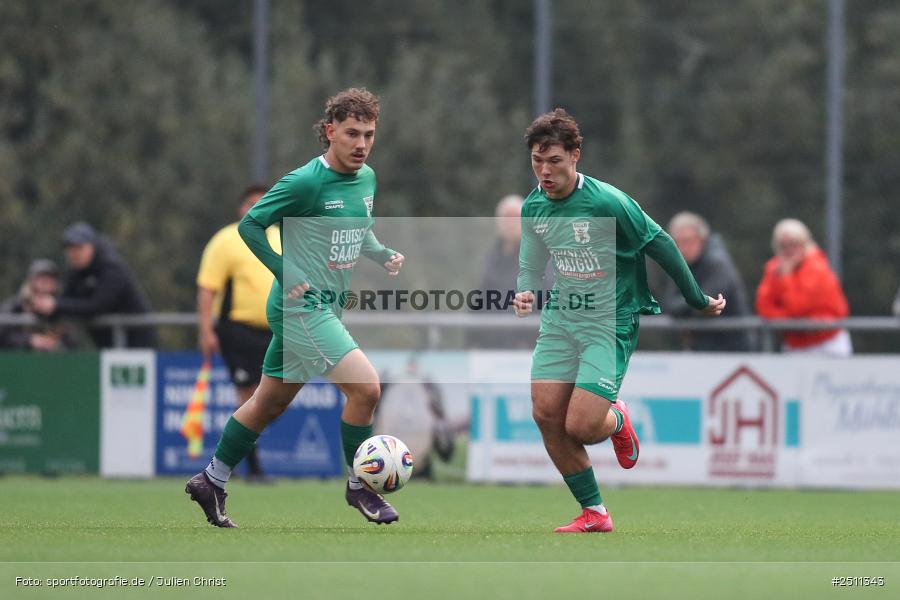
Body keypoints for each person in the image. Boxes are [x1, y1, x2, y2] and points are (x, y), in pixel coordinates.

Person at [185, 88, 405, 527]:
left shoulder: (367, 179)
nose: (361, 144)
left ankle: (212, 480)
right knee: (366, 388)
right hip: (301, 309)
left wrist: (380, 253)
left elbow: (360, 230)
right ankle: (360, 486)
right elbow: (251, 226)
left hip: (326, 309)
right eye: (351, 133)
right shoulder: (305, 182)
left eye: (369, 134)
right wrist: (282, 269)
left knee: (266, 404)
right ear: (329, 132)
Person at [513, 109, 725, 534]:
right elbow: (532, 261)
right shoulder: (534, 205)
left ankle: (617, 419)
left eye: (554, 160)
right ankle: (595, 512)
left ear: (575, 155)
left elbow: (659, 242)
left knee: (584, 426)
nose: (545, 170)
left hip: (609, 322)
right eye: (538, 160)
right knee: (545, 414)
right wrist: (525, 289)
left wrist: (696, 298)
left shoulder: (608, 202)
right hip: (560, 320)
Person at [196, 185, 280, 482]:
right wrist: (206, 330)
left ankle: (242, 460)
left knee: (273, 398)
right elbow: (208, 289)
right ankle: (248, 468)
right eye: (251, 204)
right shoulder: (227, 240)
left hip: (275, 331)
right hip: (238, 331)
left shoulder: (279, 238)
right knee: (249, 398)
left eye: (263, 203)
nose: (257, 208)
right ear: (241, 208)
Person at [29, 222, 157, 348]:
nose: (74, 253)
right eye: (70, 249)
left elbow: (97, 306)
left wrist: (56, 305)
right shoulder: (76, 273)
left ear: (92, 247)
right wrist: (44, 308)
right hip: (108, 346)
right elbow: (65, 302)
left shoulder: (112, 269)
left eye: (79, 248)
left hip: (138, 345)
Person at [755, 218, 851, 356]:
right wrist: (790, 321)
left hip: (827, 343)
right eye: (783, 246)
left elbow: (799, 307)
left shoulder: (816, 267)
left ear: (805, 244)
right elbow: (764, 307)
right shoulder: (774, 269)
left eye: (793, 245)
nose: (788, 251)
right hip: (795, 344)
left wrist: (786, 277)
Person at [661, 211, 752, 351]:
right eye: (677, 242)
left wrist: (689, 307)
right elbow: (670, 305)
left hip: (732, 348)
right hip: (703, 348)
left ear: (702, 239)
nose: (683, 248)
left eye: (688, 241)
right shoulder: (679, 263)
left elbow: (704, 305)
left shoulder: (718, 263)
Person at [0, 259, 74, 351]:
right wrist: (29, 340)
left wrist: (55, 341)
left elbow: (73, 341)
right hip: (19, 360)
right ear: (31, 280)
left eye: (49, 278)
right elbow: (3, 334)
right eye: (40, 278)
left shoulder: (62, 307)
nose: (45, 282)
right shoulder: (16, 305)